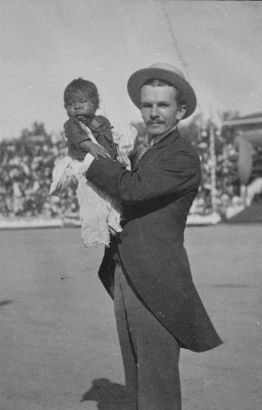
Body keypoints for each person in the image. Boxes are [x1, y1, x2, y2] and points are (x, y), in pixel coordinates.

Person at [81, 63, 223, 410]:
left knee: (156, 386)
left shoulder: (181, 155)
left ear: (181, 110)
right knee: (137, 379)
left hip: (157, 280)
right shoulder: (145, 150)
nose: (154, 113)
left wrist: (91, 160)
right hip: (126, 273)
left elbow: (131, 190)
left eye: (163, 105)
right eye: (148, 105)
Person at [49, 78, 136, 247]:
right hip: (84, 161)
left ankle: (115, 222)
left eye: (82, 102)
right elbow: (78, 138)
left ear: (95, 104)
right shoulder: (72, 123)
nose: (77, 107)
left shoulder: (102, 122)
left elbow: (109, 139)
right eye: (70, 104)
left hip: (103, 162)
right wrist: (91, 146)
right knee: (94, 202)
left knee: (111, 200)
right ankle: (100, 232)